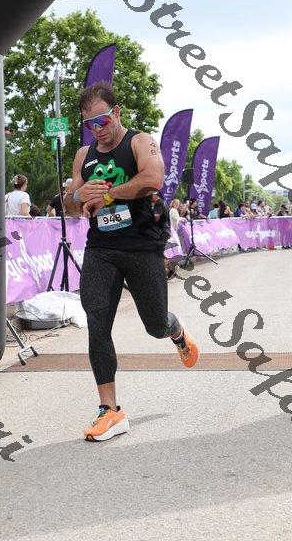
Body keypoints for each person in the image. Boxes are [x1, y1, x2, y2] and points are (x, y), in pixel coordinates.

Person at [64, 82, 199, 442]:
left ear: (117, 112)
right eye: (90, 124)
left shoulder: (139, 142)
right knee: (96, 321)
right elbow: (71, 207)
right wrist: (79, 194)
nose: (97, 129)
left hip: (141, 247)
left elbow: (153, 178)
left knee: (155, 325)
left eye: (102, 120)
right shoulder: (83, 155)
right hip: (101, 249)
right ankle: (110, 411)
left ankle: (175, 330)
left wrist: (107, 195)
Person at [151, 191, 175, 281]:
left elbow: (156, 217)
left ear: (155, 195)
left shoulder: (159, 203)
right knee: (159, 252)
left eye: (150, 195)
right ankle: (171, 271)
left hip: (162, 231)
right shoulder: (163, 202)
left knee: (159, 253)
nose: (149, 198)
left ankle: (163, 274)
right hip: (165, 231)